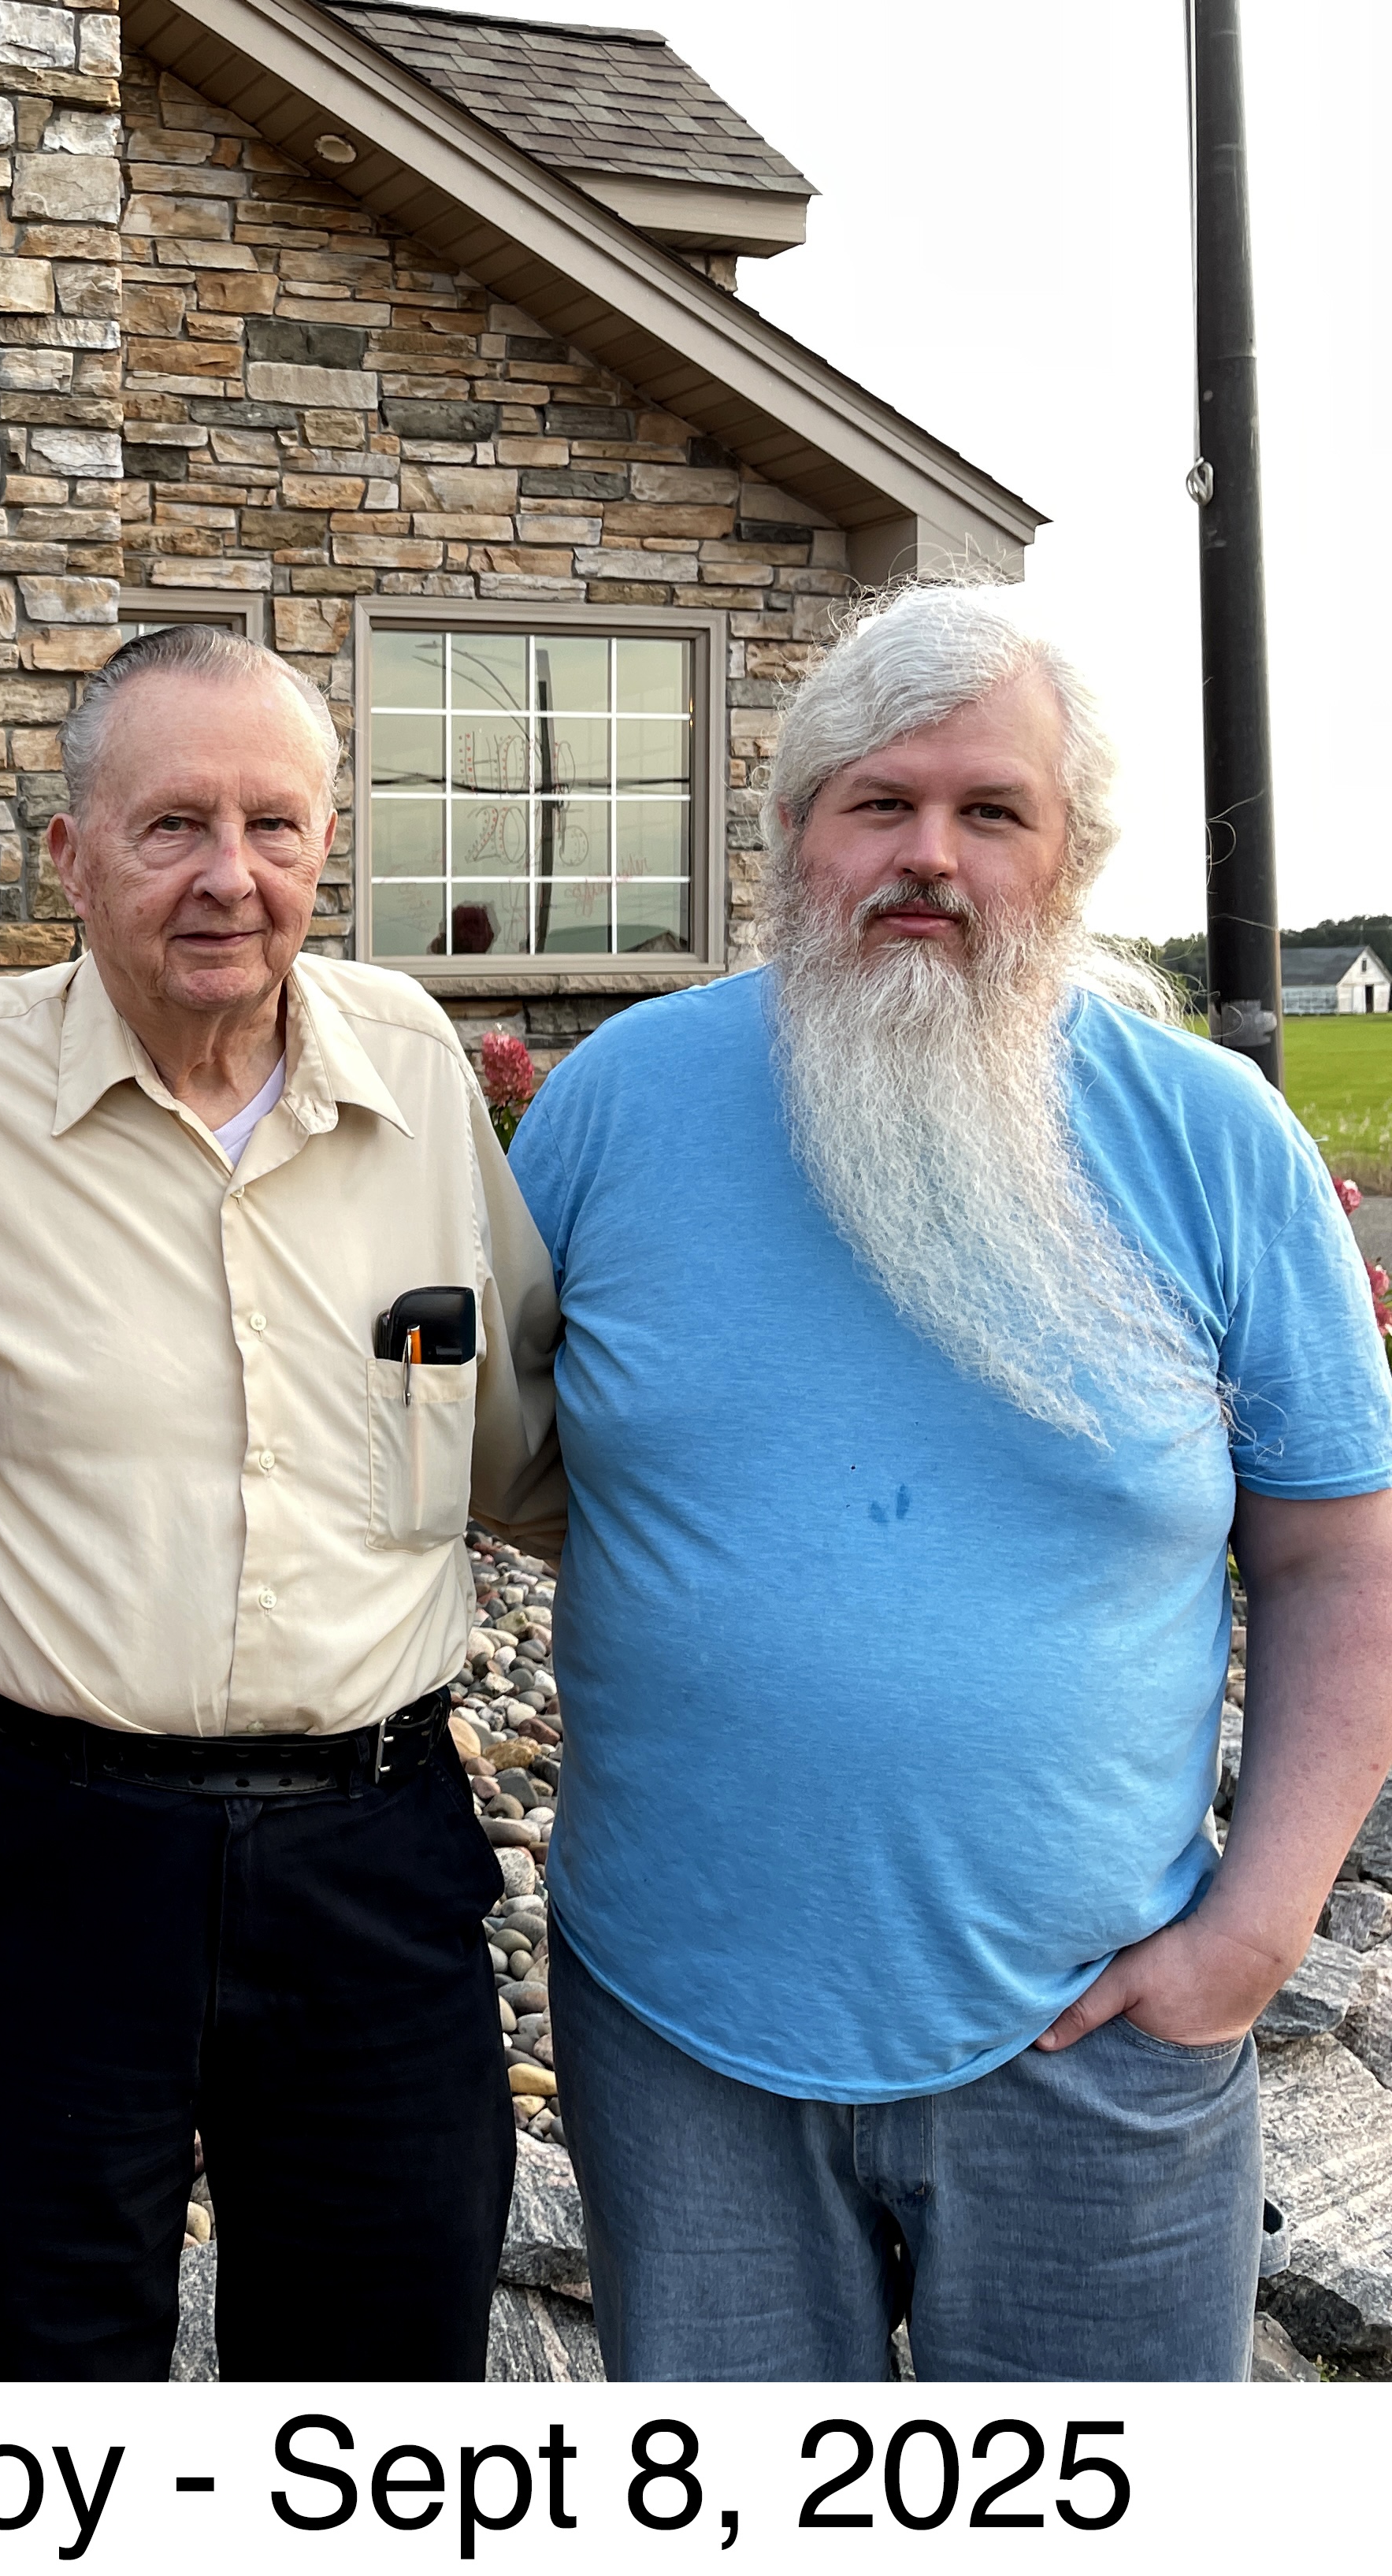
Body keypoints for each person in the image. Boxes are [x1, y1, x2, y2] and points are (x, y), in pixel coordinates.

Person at [510, 582, 1392, 2380]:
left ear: (1067, 861)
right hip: (682, 2039)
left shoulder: (1215, 1142)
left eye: (992, 812)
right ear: (793, 837)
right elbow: (490, 1456)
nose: (930, 856)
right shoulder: (612, 1109)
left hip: (1100, 2036)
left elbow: (1338, 1560)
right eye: (879, 804)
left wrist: (1258, 1926)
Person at [0, 623, 566, 2379]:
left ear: (327, 844)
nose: (232, 876)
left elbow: (532, 1463)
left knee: (383, 2395)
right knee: (22, 2395)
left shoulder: (420, 1080)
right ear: (66, 856)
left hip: (374, 1858)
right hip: (35, 1859)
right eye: (172, 828)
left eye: (276, 826)